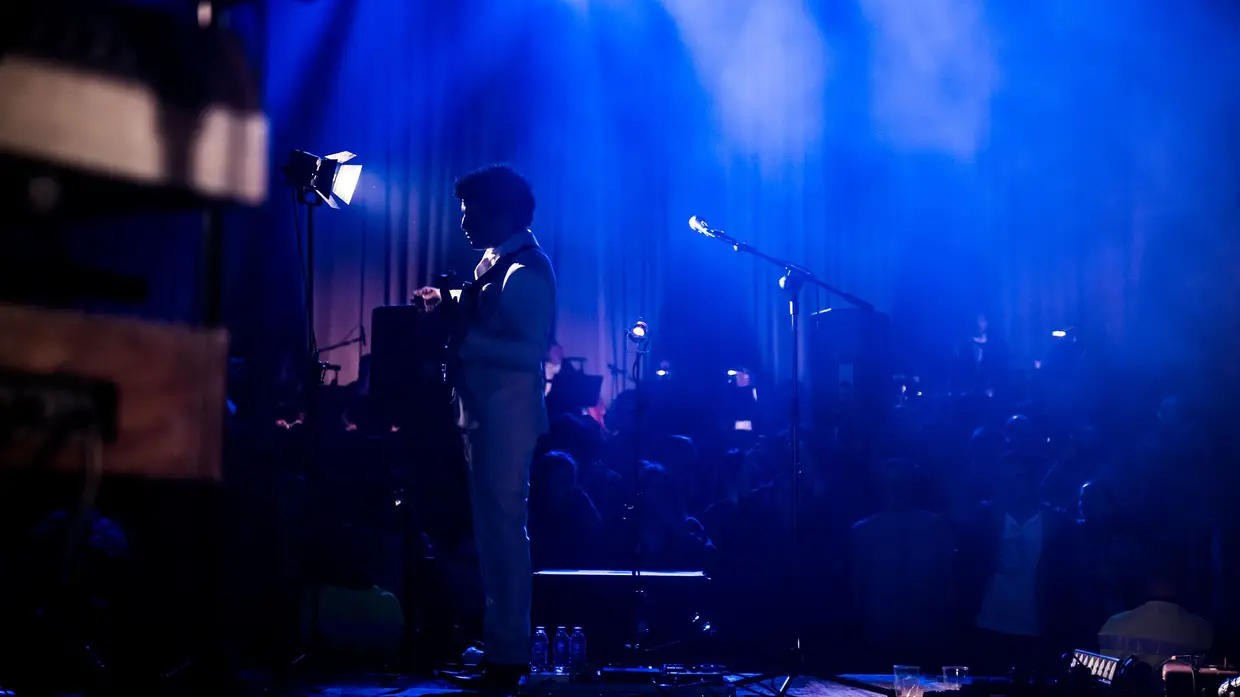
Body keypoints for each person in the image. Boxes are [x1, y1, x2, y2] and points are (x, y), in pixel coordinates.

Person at [414, 164, 556, 691]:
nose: (464, 222)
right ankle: (500, 644)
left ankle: (509, 653)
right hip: (485, 415)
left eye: (471, 212)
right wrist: (446, 301)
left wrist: (459, 342)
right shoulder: (499, 261)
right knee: (492, 535)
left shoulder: (528, 271)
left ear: (502, 213)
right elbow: (479, 304)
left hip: (505, 418)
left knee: (502, 535)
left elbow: (528, 350)